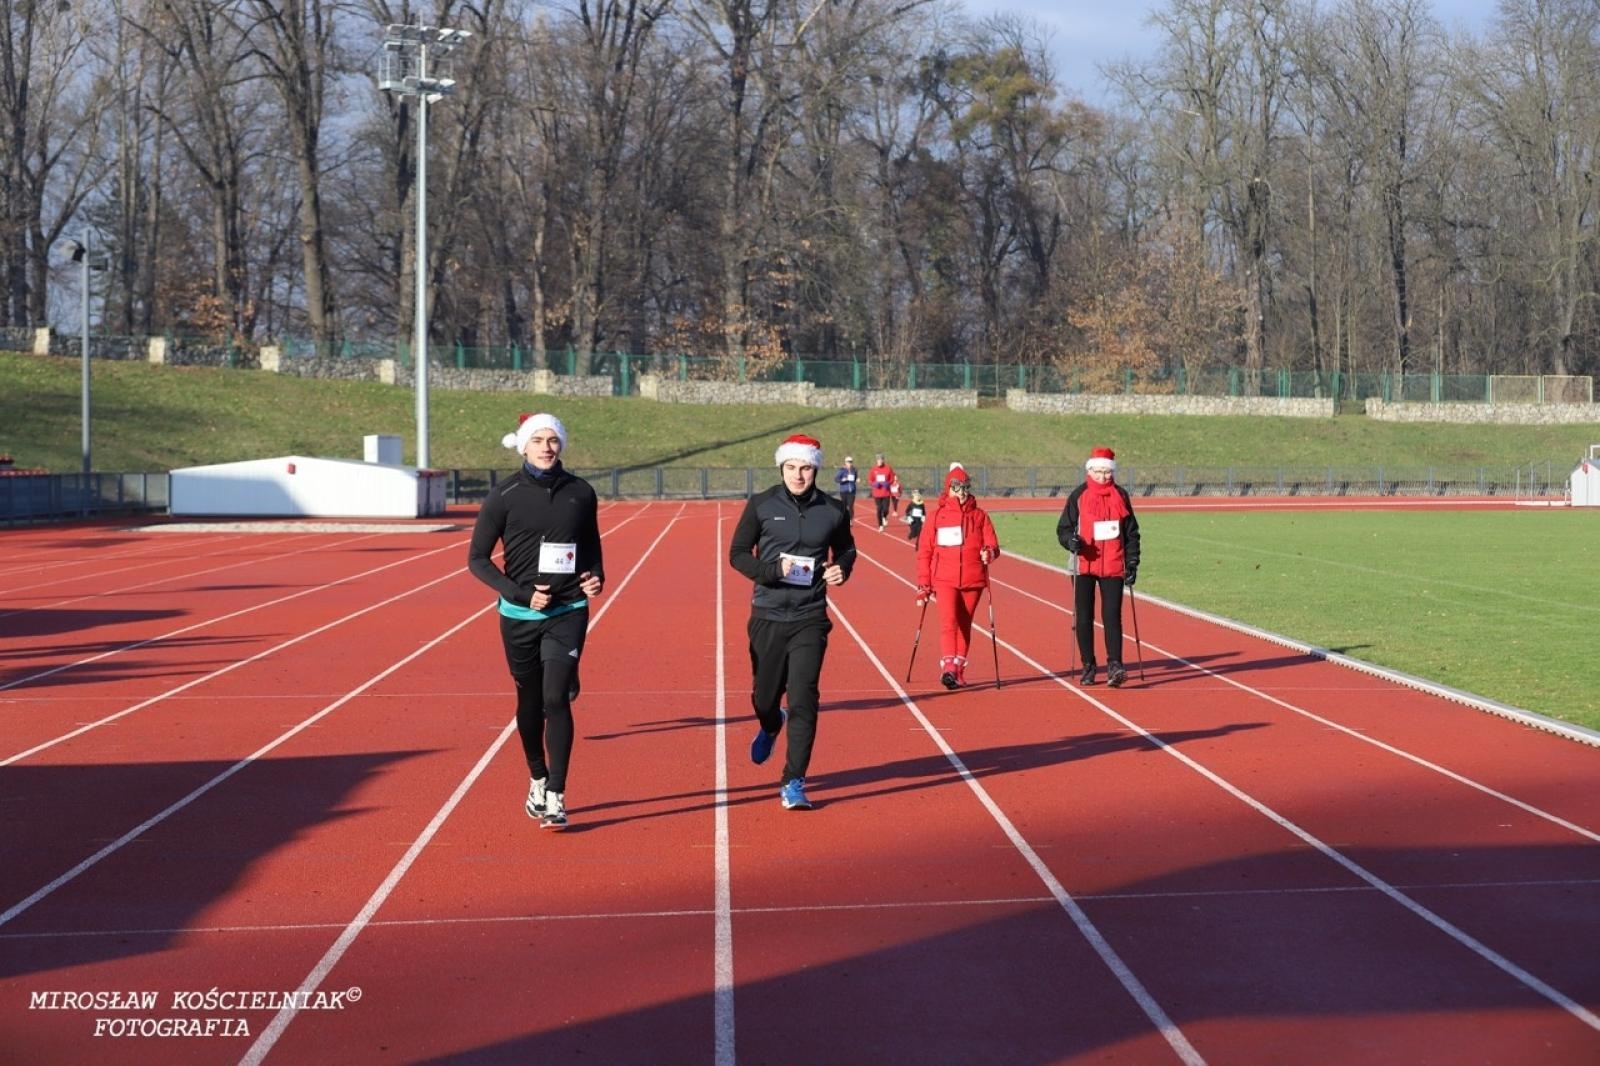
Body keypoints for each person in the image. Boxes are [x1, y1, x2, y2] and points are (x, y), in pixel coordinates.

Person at [468, 412, 605, 828]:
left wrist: (596, 577)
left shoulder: (580, 492)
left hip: (568, 610)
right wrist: (522, 593)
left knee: (555, 698)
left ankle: (557, 794)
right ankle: (537, 777)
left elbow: (592, 547)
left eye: (553, 440)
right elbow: (477, 560)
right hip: (519, 614)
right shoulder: (504, 495)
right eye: (539, 440)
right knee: (529, 700)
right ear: (523, 446)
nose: (548, 447)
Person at [729, 433, 856, 810]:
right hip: (767, 613)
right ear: (781, 467)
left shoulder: (833, 509)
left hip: (809, 616)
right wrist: (770, 571)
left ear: (815, 468)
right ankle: (770, 723)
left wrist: (841, 570)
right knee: (763, 697)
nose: (798, 475)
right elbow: (737, 553)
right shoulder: (761, 504)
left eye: (804, 468)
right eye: (791, 467)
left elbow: (846, 548)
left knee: (804, 697)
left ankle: (794, 780)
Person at [1056, 446, 1140, 688]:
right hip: (1083, 564)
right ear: (1089, 470)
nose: (1103, 476)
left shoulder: (1121, 496)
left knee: (1112, 616)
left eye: (1106, 472)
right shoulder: (1078, 495)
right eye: (1098, 471)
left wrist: (1132, 561)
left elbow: (1131, 533)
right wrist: (1070, 541)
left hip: (1113, 564)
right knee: (1084, 617)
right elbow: (1063, 528)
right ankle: (1088, 666)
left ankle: (1115, 665)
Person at [915, 463, 1000, 689]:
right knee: (948, 622)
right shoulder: (936, 517)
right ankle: (949, 667)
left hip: (973, 578)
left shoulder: (980, 516)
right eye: (956, 488)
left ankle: (959, 670)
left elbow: (993, 545)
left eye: (964, 488)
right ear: (948, 489)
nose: (961, 493)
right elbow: (924, 551)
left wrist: (988, 553)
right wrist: (924, 583)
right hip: (944, 578)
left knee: (964, 623)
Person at [867, 453, 897, 532]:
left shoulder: (888, 468)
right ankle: (880, 525)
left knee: (886, 509)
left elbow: (892, 478)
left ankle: (884, 516)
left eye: (881, 459)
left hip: (886, 492)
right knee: (879, 509)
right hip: (877, 493)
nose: (879, 461)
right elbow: (870, 480)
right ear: (876, 460)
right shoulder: (873, 469)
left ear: (883, 460)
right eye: (878, 460)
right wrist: (874, 484)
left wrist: (888, 483)